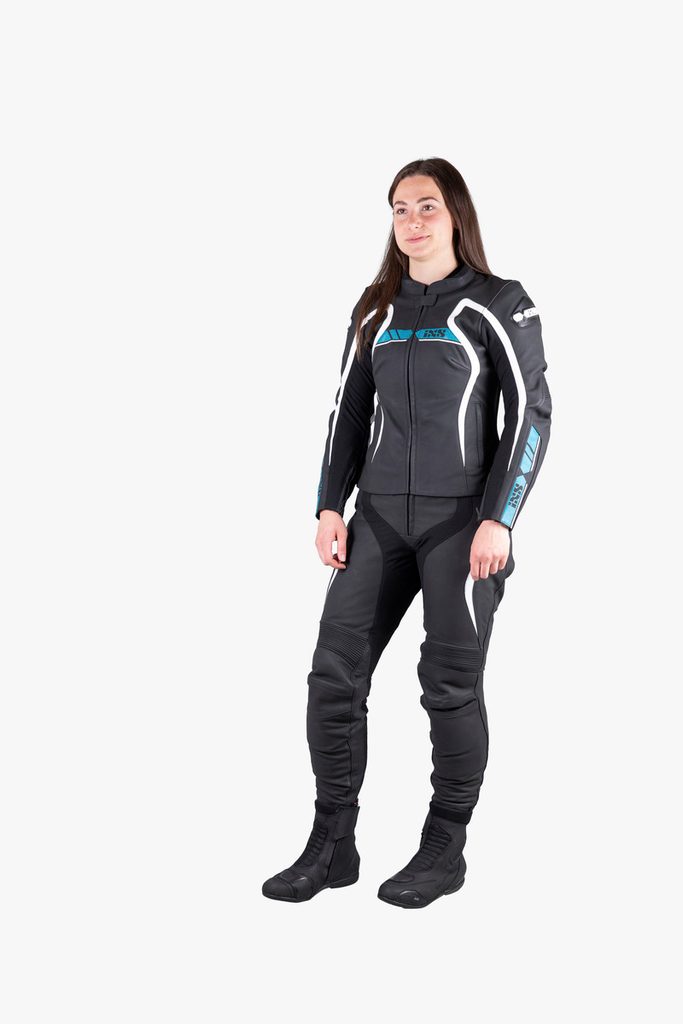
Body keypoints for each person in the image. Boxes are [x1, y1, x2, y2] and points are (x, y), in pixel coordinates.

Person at [262, 157, 552, 908]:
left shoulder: (499, 302)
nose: (412, 221)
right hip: (380, 519)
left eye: (427, 206)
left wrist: (499, 518)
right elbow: (348, 410)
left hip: (463, 525)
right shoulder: (376, 309)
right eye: (399, 208)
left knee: (448, 685)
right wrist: (330, 506)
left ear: (455, 214)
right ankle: (332, 843)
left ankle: (443, 848)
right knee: (333, 676)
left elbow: (529, 414)